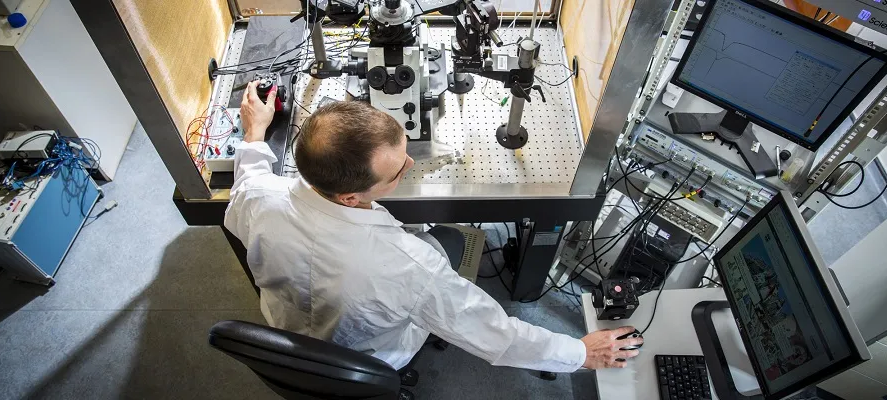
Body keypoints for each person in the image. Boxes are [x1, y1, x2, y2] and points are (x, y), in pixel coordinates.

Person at [224, 80, 643, 375]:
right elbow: (495, 335)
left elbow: (249, 174)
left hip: (285, 330)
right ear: (350, 197)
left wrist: (255, 131)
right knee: (447, 238)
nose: (410, 167)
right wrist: (579, 352)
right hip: (372, 356)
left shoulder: (259, 197)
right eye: (397, 171)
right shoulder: (410, 267)